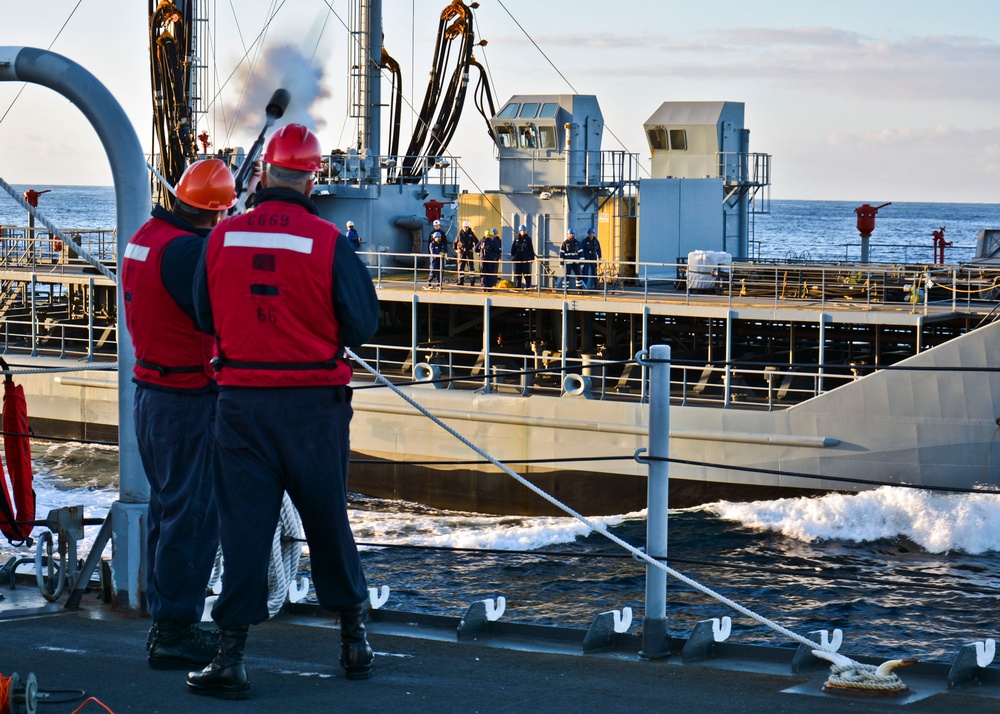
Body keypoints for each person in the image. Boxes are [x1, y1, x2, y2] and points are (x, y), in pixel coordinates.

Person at [189, 124, 379, 700]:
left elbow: (203, 315)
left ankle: (232, 657)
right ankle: (354, 642)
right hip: (313, 410)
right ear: (313, 178)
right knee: (326, 522)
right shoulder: (328, 242)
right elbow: (364, 326)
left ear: (264, 173)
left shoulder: (222, 237)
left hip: (242, 407)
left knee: (244, 529)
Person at [121, 158, 235, 670]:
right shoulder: (189, 251)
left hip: (151, 391)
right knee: (193, 516)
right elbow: (218, 306)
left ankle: (164, 617)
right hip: (187, 398)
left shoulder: (147, 234)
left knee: (168, 510)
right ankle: (175, 630)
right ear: (216, 212)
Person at [453, 220, 479, 286]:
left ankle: (472, 282)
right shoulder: (459, 234)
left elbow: (477, 242)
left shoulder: (471, 234)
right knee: (461, 267)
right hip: (461, 253)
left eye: (467, 227)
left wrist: (473, 249)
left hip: (469, 252)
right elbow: (455, 243)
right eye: (464, 227)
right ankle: (461, 282)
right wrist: (456, 250)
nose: (465, 228)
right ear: (462, 227)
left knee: (471, 267)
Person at [510, 224, 535, 289]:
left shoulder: (528, 239)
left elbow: (531, 249)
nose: (523, 231)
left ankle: (528, 286)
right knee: (518, 272)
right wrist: (513, 256)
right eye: (522, 230)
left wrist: (532, 258)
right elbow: (513, 248)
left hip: (525, 258)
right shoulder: (517, 238)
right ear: (520, 231)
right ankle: (518, 285)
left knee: (526, 273)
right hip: (518, 258)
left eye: (524, 230)